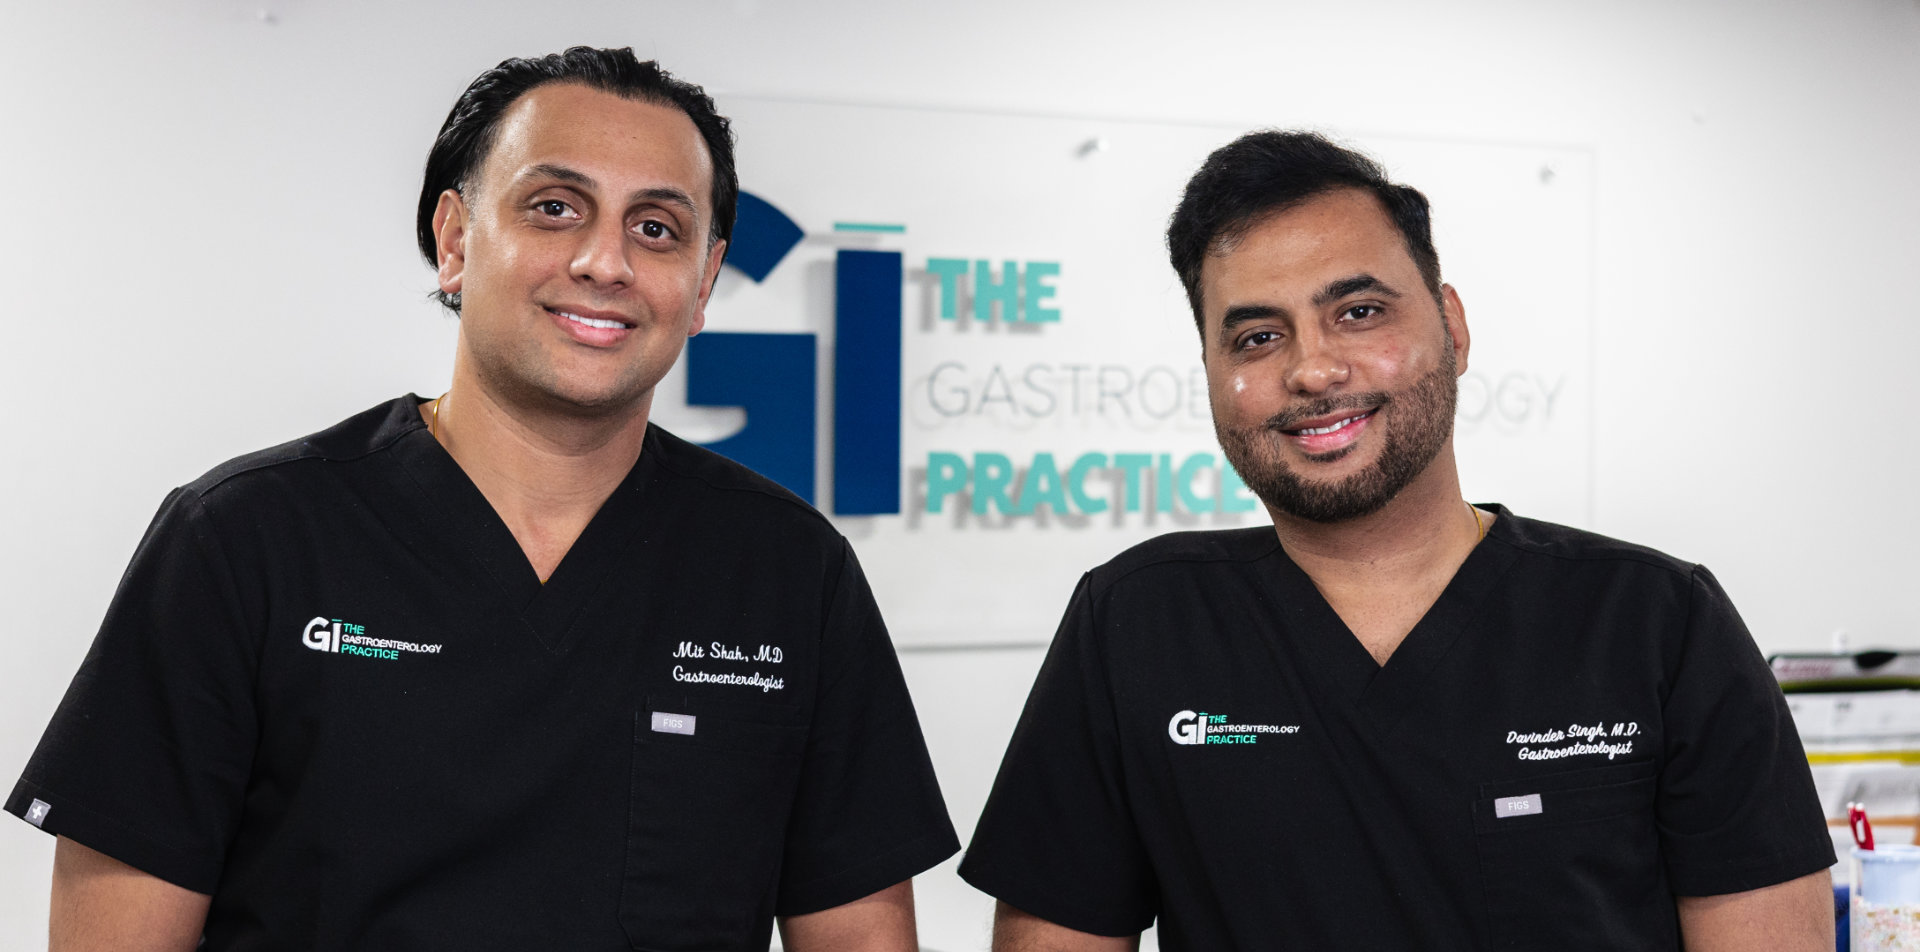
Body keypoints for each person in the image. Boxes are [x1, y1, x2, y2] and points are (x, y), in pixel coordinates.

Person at [5, 47, 957, 951]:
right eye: (554, 208)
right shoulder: (244, 540)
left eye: (656, 228)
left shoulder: (789, 571)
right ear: (455, 240)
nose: (605, 262)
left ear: (703, 283)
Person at [958, 131, 1834, 951]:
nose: (1312, 370)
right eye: (1259, 336)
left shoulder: (1655, 623)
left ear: (1451, 327)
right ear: (1213, 376)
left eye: (1359, 311)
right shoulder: (1138, 624)